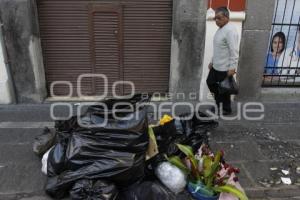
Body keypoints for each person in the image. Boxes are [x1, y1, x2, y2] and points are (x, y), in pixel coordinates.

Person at [206, 7, 239, 115]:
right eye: (215, 18)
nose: (216, 21)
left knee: (223, 89)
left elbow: (233, 51)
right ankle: (222, 105)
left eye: (219, 18)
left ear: (226, 17)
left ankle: (223, 108)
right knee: (210, 83)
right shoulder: (221, 28)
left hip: (224, 67)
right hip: (216, 66)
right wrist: (212, 61)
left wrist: (232, 67)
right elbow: (218, 48)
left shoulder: (230, 30)